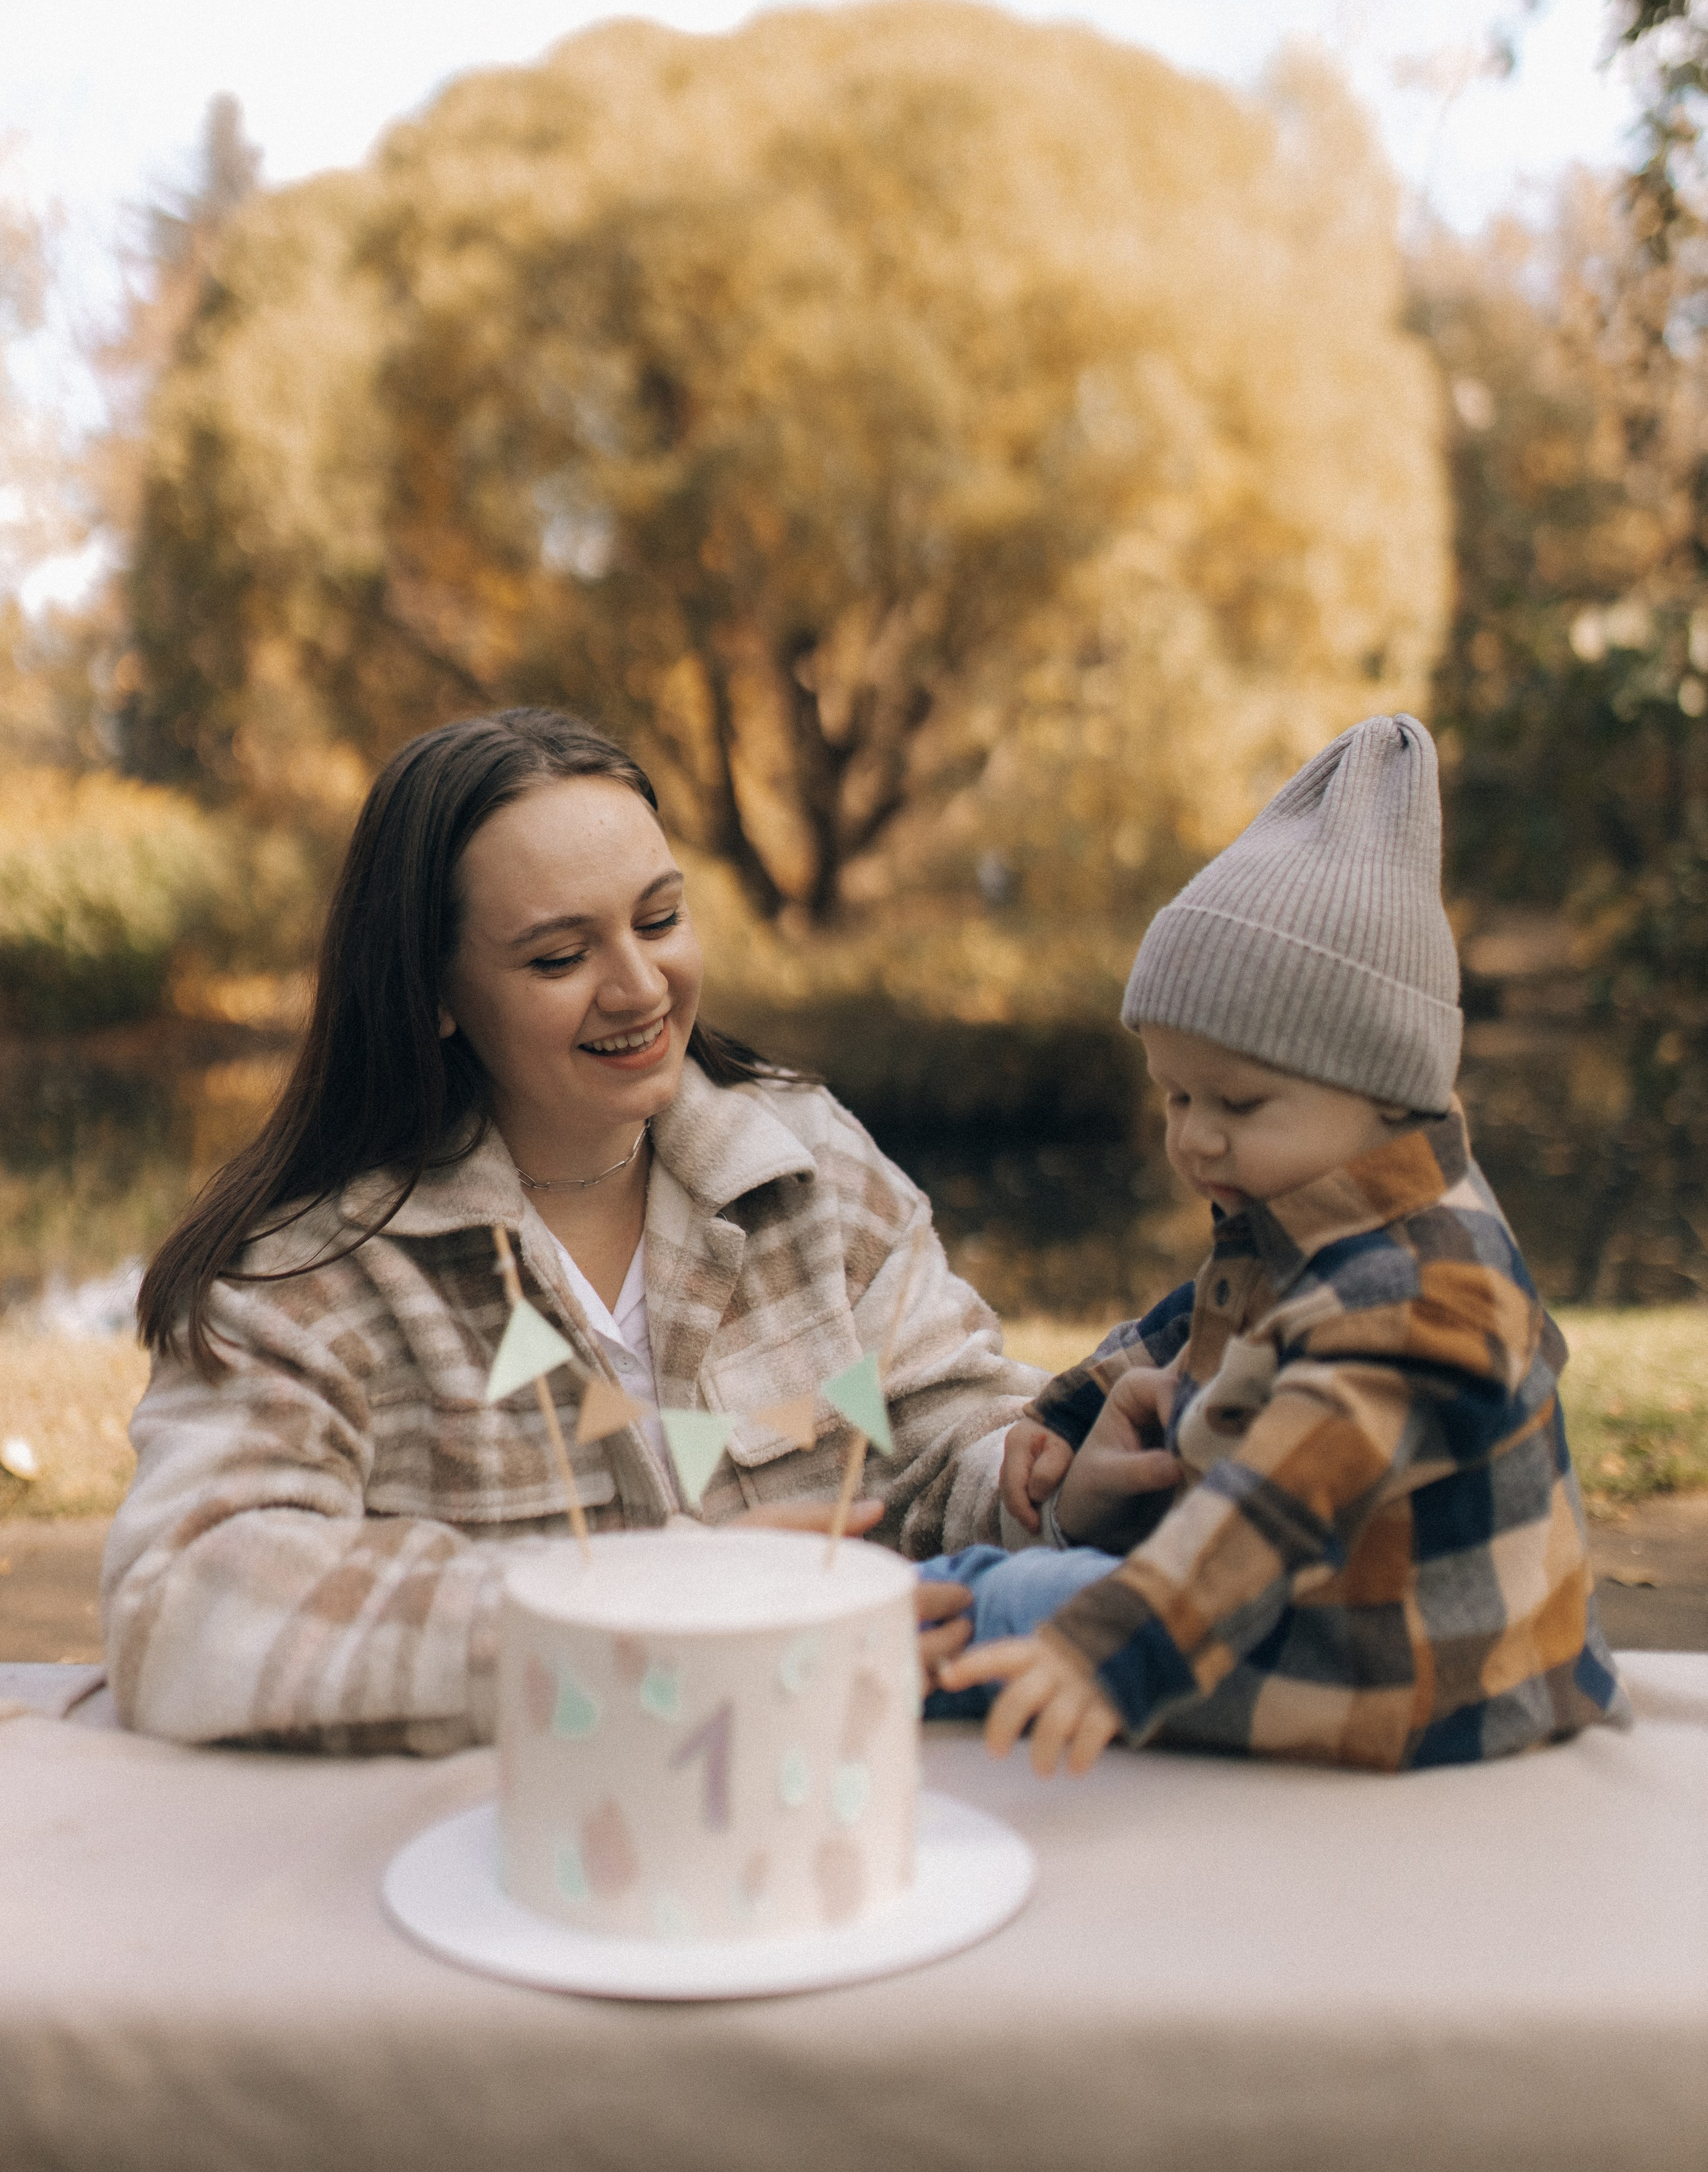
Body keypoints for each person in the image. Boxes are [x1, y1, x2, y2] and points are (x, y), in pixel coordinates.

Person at [105, 710, 1031, 1750]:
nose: (639, 988)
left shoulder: (814, 1163)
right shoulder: (308, 1277)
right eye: (559, 957)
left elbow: (950, 1442)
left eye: (660, 919)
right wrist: (625, 1610)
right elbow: (181, 1601)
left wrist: (1049, 1472)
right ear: (439, 994)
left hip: (834, 1815)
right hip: (500, 1862)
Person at [933, 714, 1629, 1775]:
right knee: (990, 1583)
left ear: (1385, 1086)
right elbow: (1189, 1327)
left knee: (1004, 1606)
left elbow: (1283, 1497)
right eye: (1174, 1094)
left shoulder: (1431, 1290)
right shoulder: (1309, 1214)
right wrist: (1063, 1418)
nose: (1194, 1135)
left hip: (1395, 1672)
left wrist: (1110, 1654)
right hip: (1309, 1618)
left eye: (1240, 1102)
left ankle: (827, 1661)